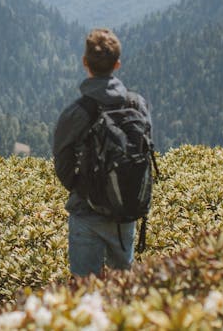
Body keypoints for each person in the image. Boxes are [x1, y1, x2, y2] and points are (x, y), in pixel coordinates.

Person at [52, 28, 153, 278]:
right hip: (125, 210)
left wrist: (85, 189)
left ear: (85, 62)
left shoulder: (76, 112)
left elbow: (62, 163)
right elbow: (144, 150)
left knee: (86, 294)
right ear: (117, 64)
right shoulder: (136, 104)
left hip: (86, 213)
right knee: (123, 289)